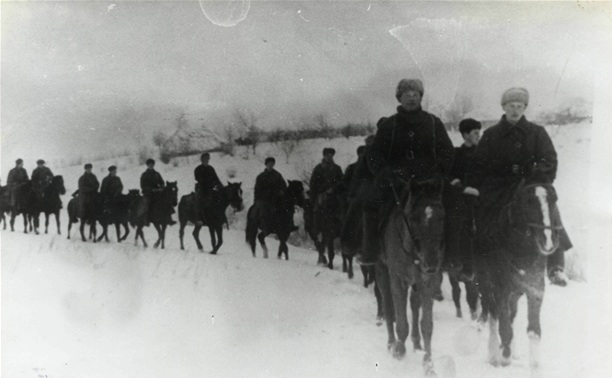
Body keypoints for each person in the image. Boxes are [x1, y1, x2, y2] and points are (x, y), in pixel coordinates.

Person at [471, 87, 572, 286]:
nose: (515, 110)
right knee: (485, 215)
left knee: (549, 210)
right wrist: (497, 174)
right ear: (504, 107)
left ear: (524, 107)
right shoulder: (492, 134)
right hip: (499, 188)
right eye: (511, 106)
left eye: (519, 106)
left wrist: (536, 173)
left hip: (530, 185)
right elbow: (479, 164)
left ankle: (555, 266)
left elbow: (549, 159)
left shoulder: (537, 132)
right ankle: (483, 261)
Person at [359, 78, 454, 265]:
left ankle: (452, 256)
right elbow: (375, 154)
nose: (411, 98)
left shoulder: (433, 123)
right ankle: (370, 252)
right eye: (406, 94)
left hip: (429, 184)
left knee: (455, 205)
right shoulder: (389, 126)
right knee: (369, 203)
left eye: (416, 94)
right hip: (396, 182)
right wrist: (384, 172)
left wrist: (438, 172)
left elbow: (447, 151)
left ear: (421, 97)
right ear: (399, 98)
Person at [444, 118, 482, 280]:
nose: (478, 136)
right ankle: (460, 263)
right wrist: (464, 188)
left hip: (483, 195)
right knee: (459, 222)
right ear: (465, 135)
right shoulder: (456, 154)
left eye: (478, 132)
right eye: (474, 133)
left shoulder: (484, 153)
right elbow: (450, 176)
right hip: (462, 198)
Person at [253, 157, 290, 233]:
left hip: (276, 198)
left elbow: (284, 186)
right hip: (264, 198)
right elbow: (257, 190)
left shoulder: (277, 175)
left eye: (272, 164)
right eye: (269, 164)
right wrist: (256, 200)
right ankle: (264, 227)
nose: (270, 166)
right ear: (266, 165)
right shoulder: (260, 177)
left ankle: (288, 225)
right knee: (264, 210)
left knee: (286, 208)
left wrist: (282, 191)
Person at [194, 152, 223, 224]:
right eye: (205, 159)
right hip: (201, 188)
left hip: (210, 188)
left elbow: (216, 178)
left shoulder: (211, 168)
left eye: (207, 159)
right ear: (202, 160)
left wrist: (221, 186)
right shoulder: (198, 169)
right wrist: (209, 183)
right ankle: (199, 218)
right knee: (199, 200)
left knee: (219, 199)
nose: (206, 161)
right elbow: (199, 179)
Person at [139, 159, 168, 225]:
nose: (151, 165)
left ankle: (168, 217)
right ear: (147, 165)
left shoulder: (157, 174)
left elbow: (162, 182)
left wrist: (161, 187)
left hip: (157, 191)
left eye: (152, 164)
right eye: (149, 164)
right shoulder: (144, 174)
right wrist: (152, 189)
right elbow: (143, 186)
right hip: (148, 193)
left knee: (166, 199)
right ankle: (146, 219)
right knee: (146, 203)